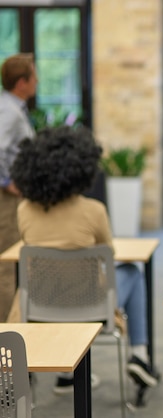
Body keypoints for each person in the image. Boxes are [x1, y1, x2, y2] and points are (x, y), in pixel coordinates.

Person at [10, 126, 161, 396]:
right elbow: (108, 253)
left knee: (53, 281)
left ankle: (67, 373)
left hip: (39, 308)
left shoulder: (25, 210)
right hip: (91, 308)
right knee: (132, 272)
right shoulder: (94, 211)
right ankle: (139, 354)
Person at [0, 53, 37, 322]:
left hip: (12, 197)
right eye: (34, 77)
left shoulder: (14, 109)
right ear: (21, 82)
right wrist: (6, 183)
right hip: (5, 199)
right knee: (7, 265)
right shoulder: (9, 111)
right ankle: (6, 339)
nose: (38, 81)